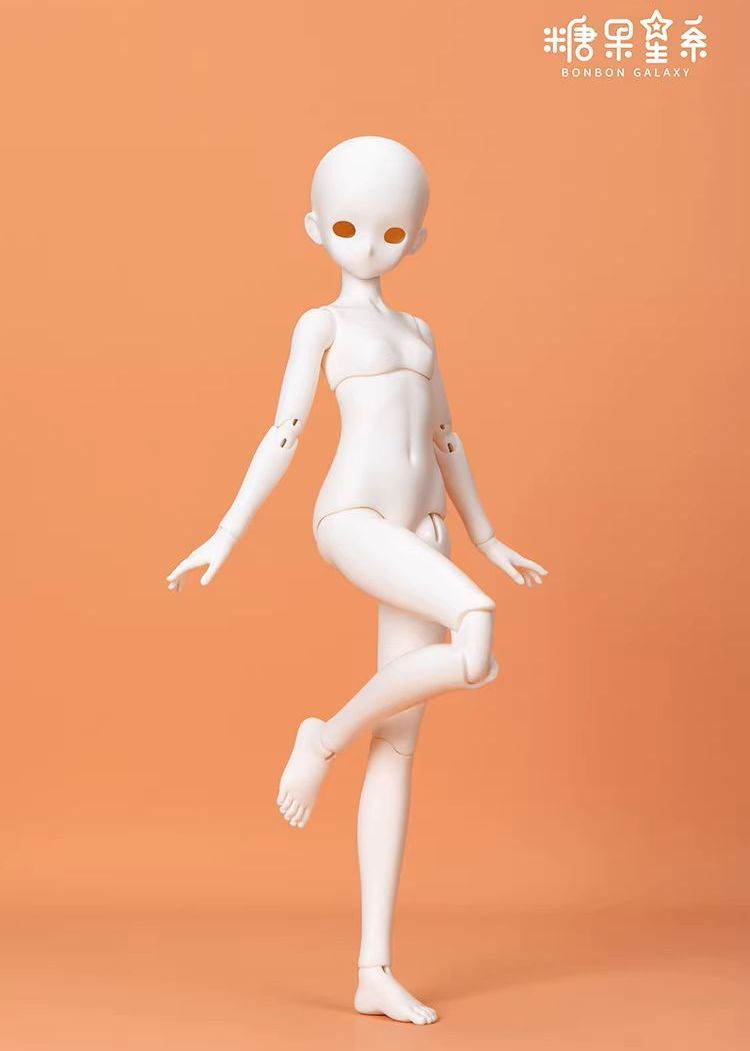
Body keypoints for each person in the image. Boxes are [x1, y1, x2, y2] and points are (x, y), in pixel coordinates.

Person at [166, 135, 548, 1025]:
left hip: (422, 526)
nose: (368, 245)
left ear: (417, 239)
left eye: (390, 231)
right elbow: (284, 432)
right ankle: (324, 736)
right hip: (353, 516)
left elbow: (445, 436)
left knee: (402, 743)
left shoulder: (420, 333)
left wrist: (486, 533)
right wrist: (225, 531)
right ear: (315, 228)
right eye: (346, 228)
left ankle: (373, 968)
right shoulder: (323, 325)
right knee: (475, 632)